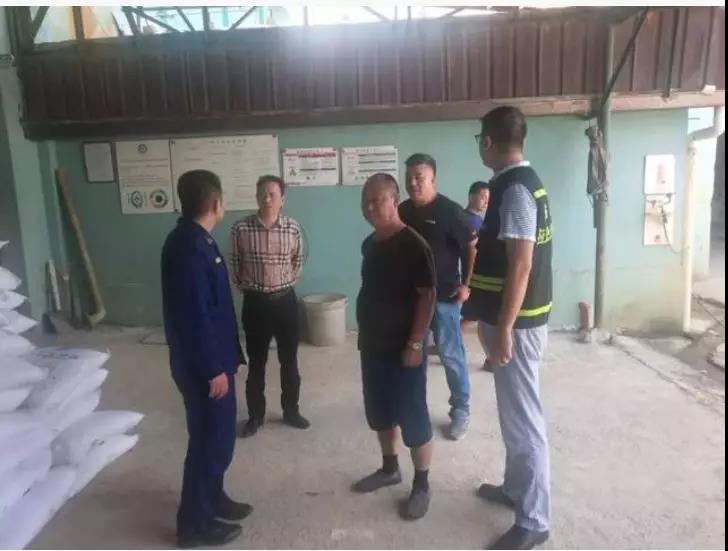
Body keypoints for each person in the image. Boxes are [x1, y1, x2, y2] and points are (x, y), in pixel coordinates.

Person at [465, 106, 553, 550]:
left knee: (524, 421)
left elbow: (521, 265)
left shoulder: (516, 189)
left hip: (516, 326)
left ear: (487, 142)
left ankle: (534, 519)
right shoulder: (517, 183)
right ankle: (515, 489)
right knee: (513, 416)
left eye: (479, 140)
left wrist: (503, 328)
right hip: (512, 322)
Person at [161, 169, 251, 548]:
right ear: (215, 203)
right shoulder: (190, 248)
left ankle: (213, 498)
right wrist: (214, 368)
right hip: (204, 367)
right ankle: (193, 525)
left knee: (219, 437)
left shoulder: (197, 239)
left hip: (212, 360)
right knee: (209, 442)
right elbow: (195, 316)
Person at [353, 173, 437, 520]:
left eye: (377, 200)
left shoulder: (414, 244)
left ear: (395, 200)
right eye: (365, 201)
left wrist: (416, 343)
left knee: (412, 415)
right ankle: (389, 468)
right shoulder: (369, 244)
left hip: (404, 348)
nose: (370, 207)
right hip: (373, 345)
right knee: (380, 412)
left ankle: (422, 484)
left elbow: (427, 296)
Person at [399, 153, 478, 441]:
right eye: (409, 177)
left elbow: (472, 247)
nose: (413, 183)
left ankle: (461, 410)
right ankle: (413, 407)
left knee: (451, 355)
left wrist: (467, 284)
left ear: (433, 179)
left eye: (419, 177)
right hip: (412, 298)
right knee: (413, 352)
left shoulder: (450, 211)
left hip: (445, 296)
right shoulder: (403, 210)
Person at [230, 175, 310, 438]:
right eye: (262, 194)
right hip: (255, 304)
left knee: (290, 361)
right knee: (257, 362)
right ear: (256, 197)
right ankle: (256, 415)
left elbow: (298, 262)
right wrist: (254, 290)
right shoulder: (240, 228)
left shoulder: (293, 228)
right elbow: (235, 265)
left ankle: (291, 410)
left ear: (282, 199)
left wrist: (282, 284)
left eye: (272, 194)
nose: (266, 199)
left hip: (285, 302)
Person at [461, 181, 492, 371]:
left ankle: (445, 345)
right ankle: (491, 358)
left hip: (477, 278)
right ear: (471, 196)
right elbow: (472, 253)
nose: (486, 202)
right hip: (474, 278)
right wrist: (469, 281)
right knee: (480, 318)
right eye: (482, 197)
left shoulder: (476, 220)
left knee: (474, 317)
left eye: (488, 199)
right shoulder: (469, 221)